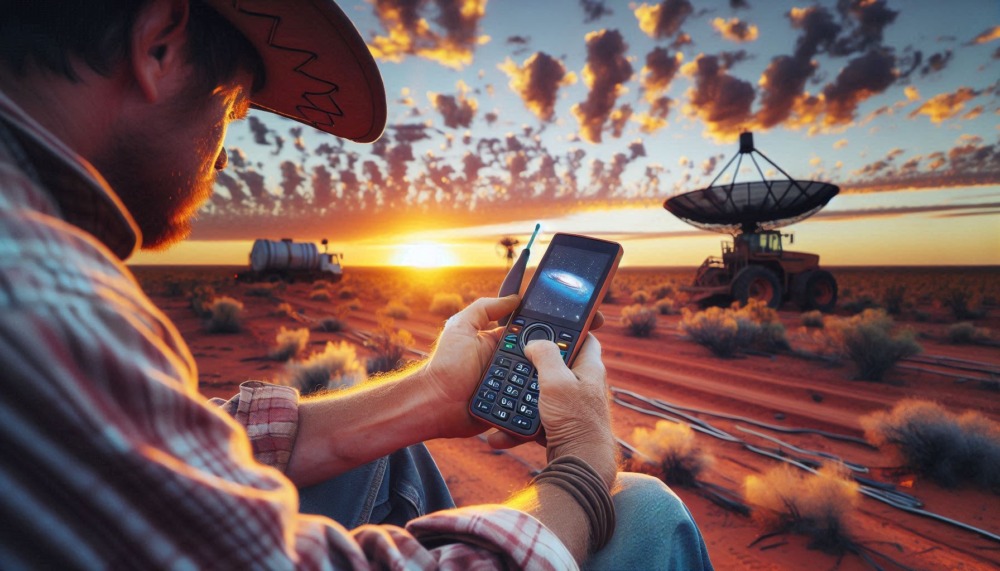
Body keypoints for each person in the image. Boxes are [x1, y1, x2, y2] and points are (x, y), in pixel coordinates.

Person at [0, 0, 713, 568]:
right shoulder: (40, 285)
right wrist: (582, 471)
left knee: (391, 447)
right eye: (236, 109)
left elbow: (164, 441)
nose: (223, 152)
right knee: (644, 510)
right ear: (159, 42)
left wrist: (433, 392)